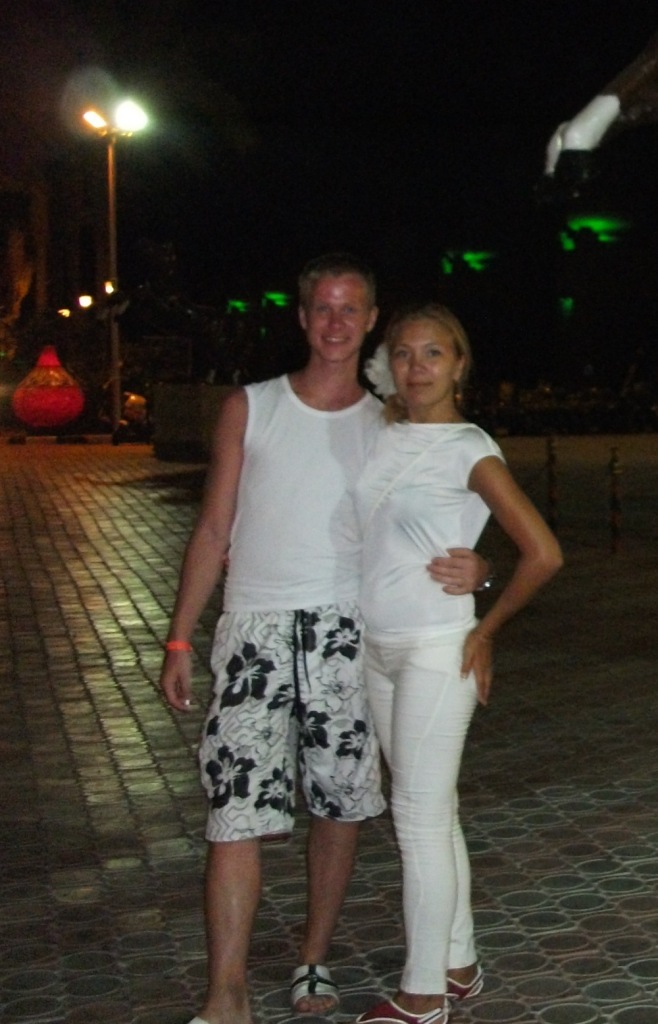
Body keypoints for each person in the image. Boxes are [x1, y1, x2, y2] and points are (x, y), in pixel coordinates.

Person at [159, 256, 488, 1024]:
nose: (336, 323)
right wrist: (179, 639)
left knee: (340, 806)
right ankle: (227, 990)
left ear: (369, 320)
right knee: (236, 810)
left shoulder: (390, 422)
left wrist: (482, 574)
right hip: (254, 629)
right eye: (323, 309)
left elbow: (440, 518)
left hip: (347, 631)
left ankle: (314, 958)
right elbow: (213, 527)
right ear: (303, 318)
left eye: (351, 310)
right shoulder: (252, 406)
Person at [353, 303, 563, 1024]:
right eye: (403, 353)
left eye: (433, 353)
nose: (416, 367)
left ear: (459, 364)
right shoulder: (378, 433)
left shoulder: (468, 447)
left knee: (416, 816)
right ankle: (458, 963)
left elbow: (543, 553)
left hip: (436, 648)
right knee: (432, 814)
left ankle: (422, 995)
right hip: (375, 646)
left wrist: (487, 622)